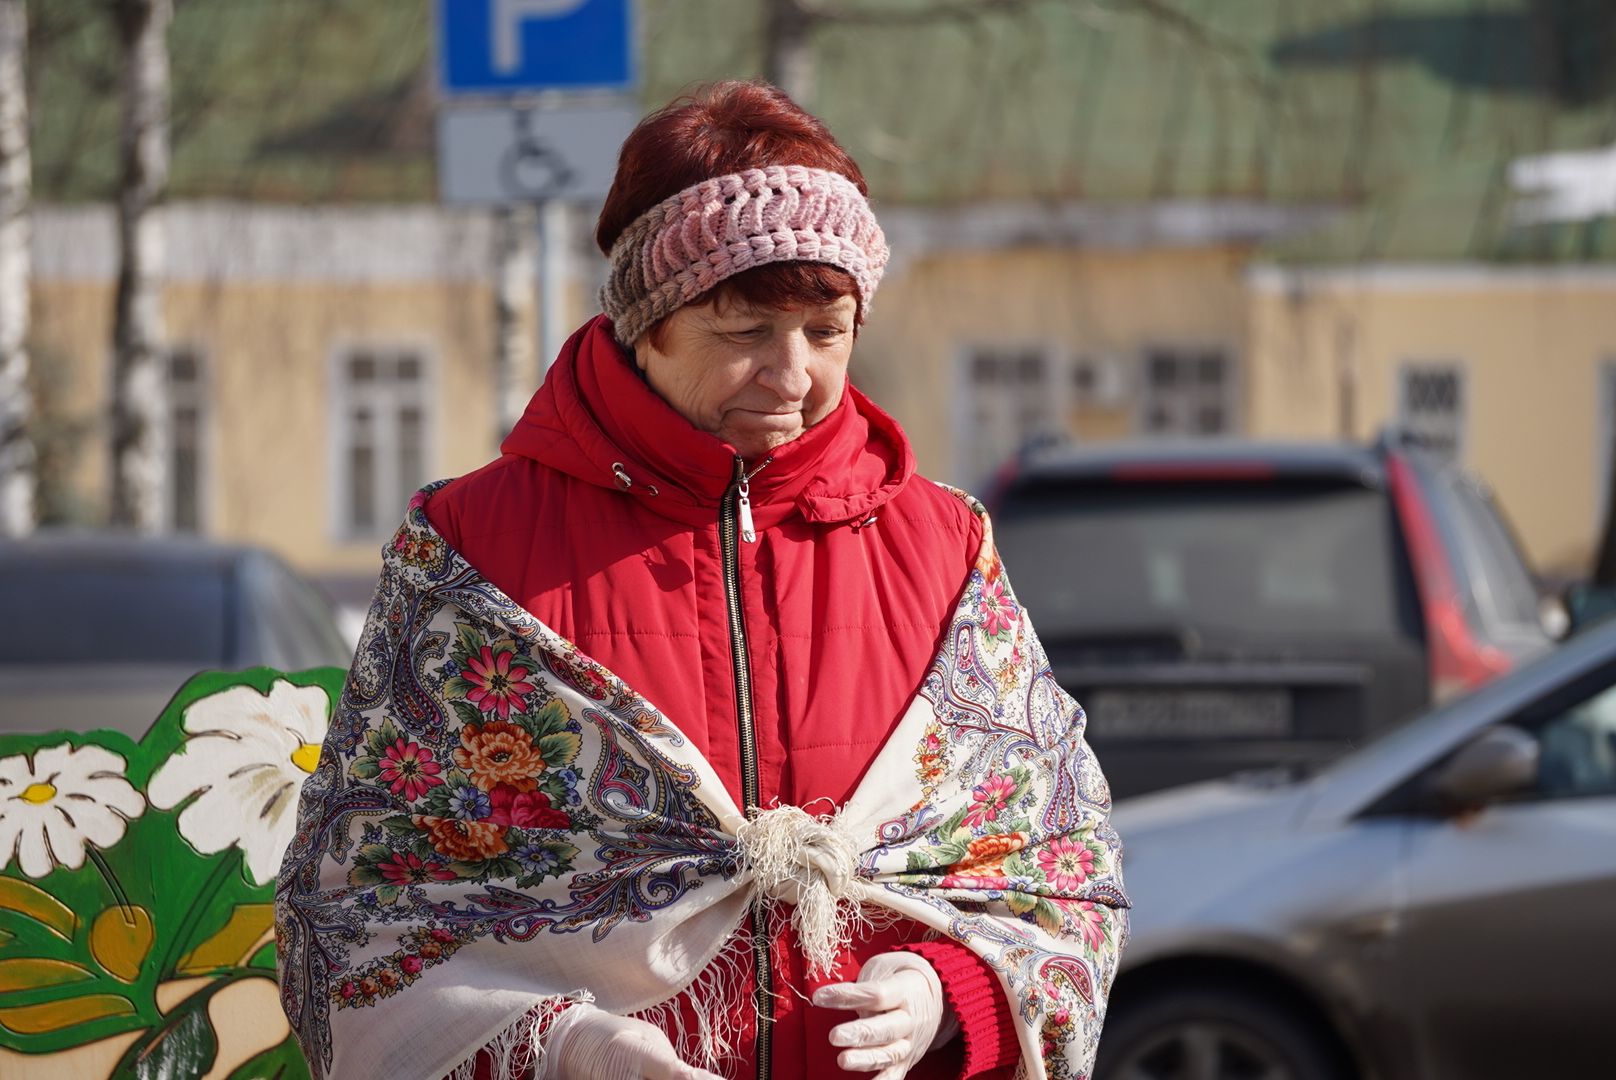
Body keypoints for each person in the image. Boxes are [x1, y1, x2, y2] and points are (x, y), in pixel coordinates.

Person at [275, 81, 1126, 1080]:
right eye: (744, 333)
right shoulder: (473, 551)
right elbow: (358, 910)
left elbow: (1057, 866)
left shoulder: (941, 546)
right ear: (648, 322)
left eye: (827, 330)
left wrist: (952, 992)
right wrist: (558, 1048)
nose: (792, 374)